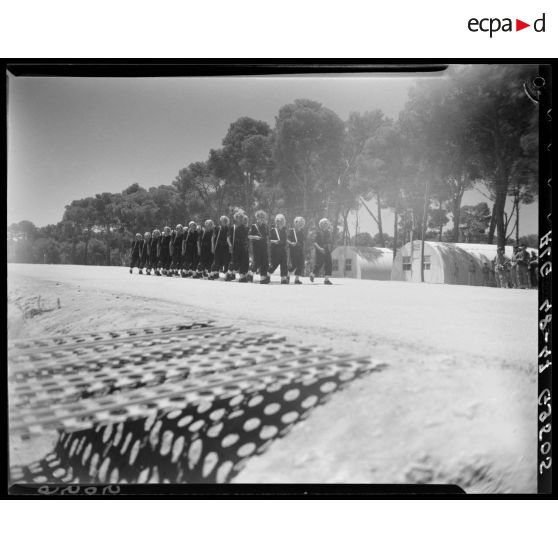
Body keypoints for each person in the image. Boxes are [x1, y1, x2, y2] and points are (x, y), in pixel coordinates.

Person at [227, 210, 250, 282]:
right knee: (234, 262)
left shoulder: (245, 228)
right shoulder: (233, 227)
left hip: (243, 247)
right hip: (235, 247)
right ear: (235, 218)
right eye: (238, 217)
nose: (240, 219)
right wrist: (230, 245)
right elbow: (228, 238)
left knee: (243, 262)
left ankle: (242, 277)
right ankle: (229, 274)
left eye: (241, 217)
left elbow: (247, 238)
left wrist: (247, 246)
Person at [248, 209, 269, 284]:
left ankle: (263, 278)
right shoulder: (253, 226)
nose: (261, 218)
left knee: (265, 262)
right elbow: (249, 236)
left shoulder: (265, 226)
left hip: (264, 247)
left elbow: (267, 236)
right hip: (256, 247)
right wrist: (255, 237)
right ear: (257, 217)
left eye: (263, 217)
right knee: (257, 262)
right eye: (260, 217)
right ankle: (250, 273)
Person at [310, 218, 333, 285]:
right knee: (319, 264)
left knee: (329, 263)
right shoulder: (318, 233)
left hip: (326, 250)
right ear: (320, 225)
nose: (325, 225)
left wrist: (329, 249)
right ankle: (313, 274)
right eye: (323, 223)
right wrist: (319, 248)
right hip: (319, 250)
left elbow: (329, 242)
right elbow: (315, 242)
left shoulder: (329, 233)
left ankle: (326, 280)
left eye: (326, 223)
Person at [268, 213, 289, 284]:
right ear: (276, 222)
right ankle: (267, 274)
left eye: (281, 221)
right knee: (274, 264)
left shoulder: (285, 230)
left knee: (284, 264)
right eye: (278, 221)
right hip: (275, 250)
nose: (279, 223)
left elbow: (285, 240)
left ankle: (283, 278)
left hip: (283, 250)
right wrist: (275, 241)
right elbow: (269, 239)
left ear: (283, 222)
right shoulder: (272, 229)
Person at [210, 215, 231, 280]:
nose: (224, 222)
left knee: (226, 261)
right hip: (218, 247)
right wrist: (213, 247)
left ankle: (227, 275)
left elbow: (230, 238)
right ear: (221, 221)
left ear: (227, 221)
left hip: (226, 248)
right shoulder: (217, 228)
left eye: (225, 221)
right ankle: (214, 274)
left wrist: (230, 247)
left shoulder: (229, 229)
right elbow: (213, 238)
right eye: (223, 221)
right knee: (216, 261)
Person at [288, 216, 306, 285]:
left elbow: (303, 240)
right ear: (295, 223)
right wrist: (291, 243)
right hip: (293, 250)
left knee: (300, 265)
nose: (300, 224)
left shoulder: (302, 231)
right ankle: (287, 275)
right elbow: (287, 239)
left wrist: (302, 244)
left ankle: (297, 279)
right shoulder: (291, 230)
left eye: (302, 223)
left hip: (300, 250)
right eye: (299, 223)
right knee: (294, 265)